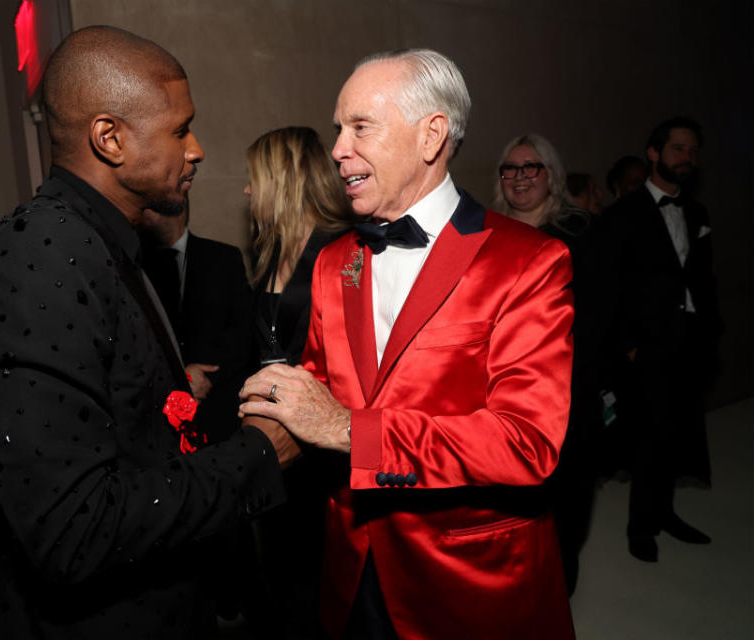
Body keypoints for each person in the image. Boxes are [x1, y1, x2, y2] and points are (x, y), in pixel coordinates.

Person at [0, 26, 292, 639]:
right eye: (179, 129)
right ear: (109, 138)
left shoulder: (102, 242)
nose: (197, 149)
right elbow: (74, 527)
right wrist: (258, 453)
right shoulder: (41, 255)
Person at [241, 50, 575, 639]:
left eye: (360, 127)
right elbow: (318, 387)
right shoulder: (334, 262)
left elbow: (526, 443)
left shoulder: (529, 262)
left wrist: (350, 430)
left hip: (466, 577)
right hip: (350, 562)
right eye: (337, 129)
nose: (339, 148)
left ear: (432, 135)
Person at [243, 125, 356, 637]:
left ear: (282, 180)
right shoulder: (269, 252)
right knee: (282, 571)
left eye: (254, 179)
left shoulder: (343, 248)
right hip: (274, 440)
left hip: (322, 446)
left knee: (319, 575)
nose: (247, 191)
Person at [494, 134, 609, 595]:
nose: (520, 178)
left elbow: (599, 317)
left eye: (531, 168)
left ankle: (557, 598)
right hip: (496, 396)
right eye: (510, 169)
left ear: (552, 175)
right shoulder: (482, 232)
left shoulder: (580, 232)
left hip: (565, 393)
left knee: (565, 506)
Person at [604, 117, 720, 563]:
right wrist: (626, 344)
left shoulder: (697, 213)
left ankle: (666, 513)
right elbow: (608, 286)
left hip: (690, 339)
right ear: (654, 153)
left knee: (681, 433)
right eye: (678, 149)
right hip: (646, 345)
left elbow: (703, 277)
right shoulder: (624, 214)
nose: (687, 159)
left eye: (693, 152)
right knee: (648, 438)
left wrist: (711, 330)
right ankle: (641, 528)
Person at [138, 196, 253, 441]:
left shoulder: (223, 257)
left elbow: (243, 334)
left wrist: (206, 378)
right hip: (156, 414)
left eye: (148, 207)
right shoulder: (136, 265)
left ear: (176, 209)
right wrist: (180, 378)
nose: (141, 213)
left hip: (219, 410)